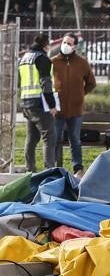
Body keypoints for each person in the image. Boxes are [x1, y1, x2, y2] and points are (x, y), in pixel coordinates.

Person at [52, 33, 96, 177]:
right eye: (64, 42)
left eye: (69, 43)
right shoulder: (53, 62)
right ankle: (55, 167)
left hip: (76, 110)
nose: (66, 45)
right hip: (57, 109)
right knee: (56, 139)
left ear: (75, 46)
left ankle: (78, 168)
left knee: (75, 140)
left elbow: (91, 83)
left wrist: (80, 94)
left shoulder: (82, 62)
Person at [18, 34, 57, 173]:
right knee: (49, 137)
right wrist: (52, 105)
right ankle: (49, 172)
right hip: (40, 103)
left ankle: (30, 170)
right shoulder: (42, 58)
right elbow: (45, 83)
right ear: (45, 45)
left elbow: (19, 82)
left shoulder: (24, 59)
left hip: (26, 102)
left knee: (32, 138)